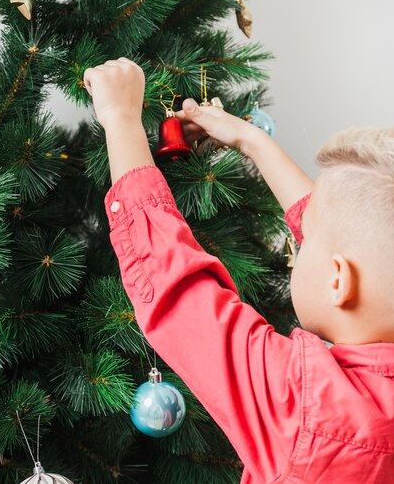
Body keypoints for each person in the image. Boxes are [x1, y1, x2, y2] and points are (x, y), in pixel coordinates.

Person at [84, 58, 394, 484]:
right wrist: (253, 141)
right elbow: (361, 234)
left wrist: (120, 121)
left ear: (339, 282)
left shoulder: (307, 406)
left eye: (306, 242)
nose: (299, 233)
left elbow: (180, 294)